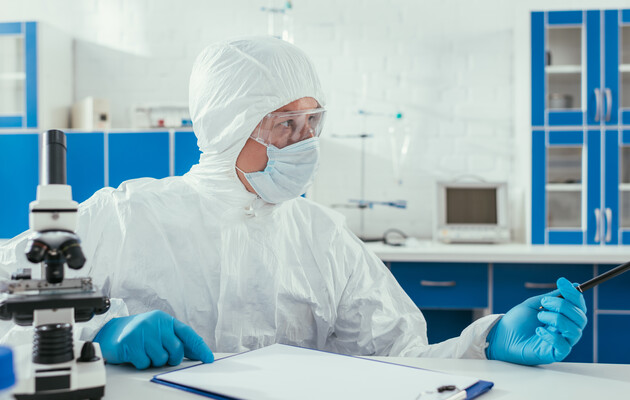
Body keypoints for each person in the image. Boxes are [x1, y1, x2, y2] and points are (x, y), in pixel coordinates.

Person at [0, 36, 587, 369]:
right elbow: (8, 300)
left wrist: (488, 342)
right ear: (230, 127)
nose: (305, 143)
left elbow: (403, 361)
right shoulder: (125, 217)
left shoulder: (322, 238)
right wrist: (96, 333)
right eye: (285, 124)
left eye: (313, 122)